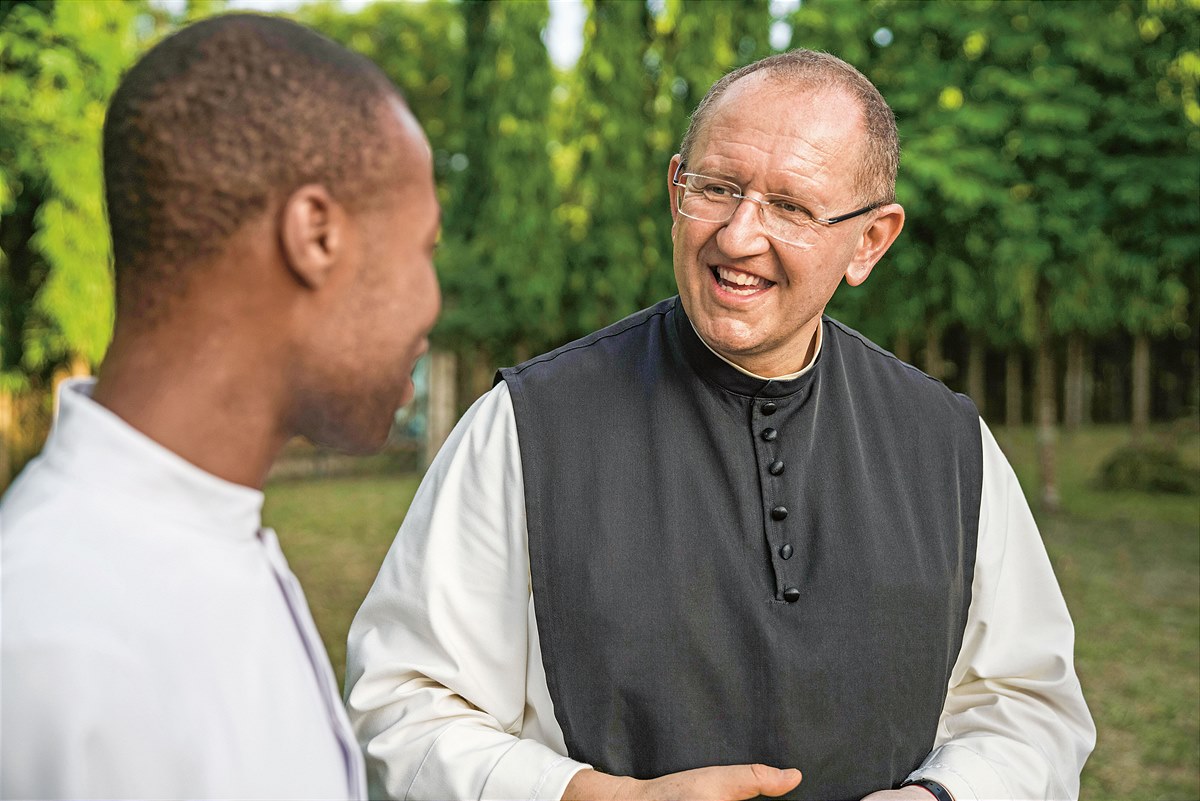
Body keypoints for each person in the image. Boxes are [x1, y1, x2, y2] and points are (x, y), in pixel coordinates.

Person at [345, 49, 1095, 801]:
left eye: (791, 206)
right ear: (676, 188)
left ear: (870, 239)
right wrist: (603, 799)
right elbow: (402, 707)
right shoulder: (524, 427)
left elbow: (1030, 707)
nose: (737, 237)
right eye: (717, 188)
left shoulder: (949, 443)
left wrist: (941, 799)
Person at [0, 13, 440, 799]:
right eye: (424, 249)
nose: (433, 303)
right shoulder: (51, 638)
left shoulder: (210, 542)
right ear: (315, 235)